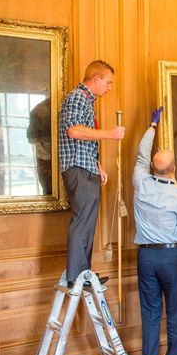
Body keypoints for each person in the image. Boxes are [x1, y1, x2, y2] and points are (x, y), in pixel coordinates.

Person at [133, 106, 177, 355]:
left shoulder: (141, 183)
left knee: (151, 314)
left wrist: (152, 125)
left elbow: (141, 157)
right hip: (172, 255)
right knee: (176, 312)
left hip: (146, 257)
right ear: (174, 169)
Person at [59, 60, 125, 287]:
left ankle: (82, 273)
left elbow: (82, 140)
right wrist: (110, 133)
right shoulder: (78, 97)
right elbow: (74, 131)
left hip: (86, 166)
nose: (109, 87)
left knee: (87, 222)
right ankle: (77, 276)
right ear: (96, 79)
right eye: (108, 82)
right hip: (79, 169)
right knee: (83, 222)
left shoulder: (86, 100)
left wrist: (98, 165)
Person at [27, 97, 52, 194]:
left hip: (44, 157)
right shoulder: (39, 110)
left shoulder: (37, 110)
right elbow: (32, 138)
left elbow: (32, 139)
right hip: (48, 156)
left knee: (48, 191)